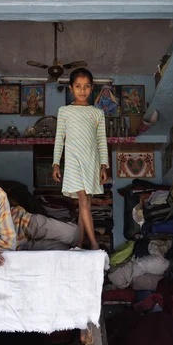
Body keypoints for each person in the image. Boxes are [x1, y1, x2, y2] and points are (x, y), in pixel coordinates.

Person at [52, 68, 109, 250]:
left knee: (87, 203)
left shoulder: (97, 113)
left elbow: (101, 140)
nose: (82, 90)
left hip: (91, 161)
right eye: (78, 86)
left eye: (86, 86)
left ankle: (79, 241)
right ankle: (93, 244)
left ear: (91, 88)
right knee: (83, 200)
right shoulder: (65, 112)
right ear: (71, 88)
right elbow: (59, 138)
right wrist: (55, 163)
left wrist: (103, 166)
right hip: (73, 161)